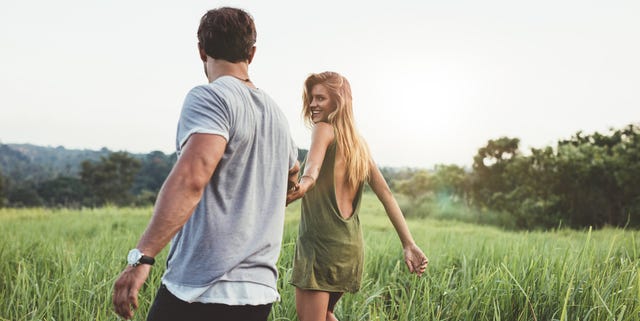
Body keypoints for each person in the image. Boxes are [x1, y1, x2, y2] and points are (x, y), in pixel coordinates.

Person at [112, 7, 299, 321]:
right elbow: (293, 177)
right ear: (251, 53)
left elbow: (191, 179)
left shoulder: (211, 98)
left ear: (201, 50)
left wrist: (141, 258)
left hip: (202, 290)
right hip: (258, 292)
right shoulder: (277, 115)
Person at [286, 71, 428, 321]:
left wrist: (300, 187)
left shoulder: (323, 129)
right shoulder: (359, 144)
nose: (312, 104)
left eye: (320, 98)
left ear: (337, 102)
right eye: (311, 98)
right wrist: (408, 243)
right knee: (325, 314)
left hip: (321, 247)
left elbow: (312, 171)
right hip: (349, 249)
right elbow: (387, 195)